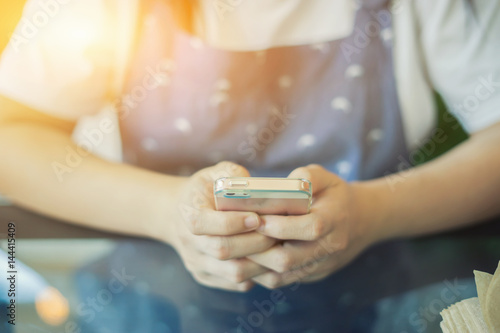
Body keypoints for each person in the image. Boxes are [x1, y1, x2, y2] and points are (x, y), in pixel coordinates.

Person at [0, 0, 499, 292]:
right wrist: (168, 213)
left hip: (377, 287)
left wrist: (370, 214)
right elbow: (11, 139)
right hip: (146, 293)